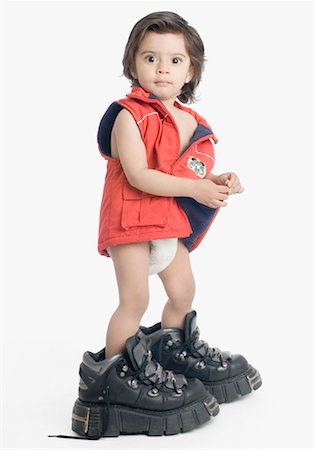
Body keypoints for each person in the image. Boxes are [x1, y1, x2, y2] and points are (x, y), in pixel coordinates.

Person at [70, 11, 262, 440]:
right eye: (150, 57)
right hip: (131, 218)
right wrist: (194, 190)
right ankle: (110, 383)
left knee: (183, 289)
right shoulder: (128, 116)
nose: (162, 68)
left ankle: (172, 354)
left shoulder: (192, 124)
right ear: (133, 64)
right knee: (134, 300)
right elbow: (139, 175)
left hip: (166, 221)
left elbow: (183, 173)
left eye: (175, 60)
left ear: (191, 69)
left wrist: (213, 181)